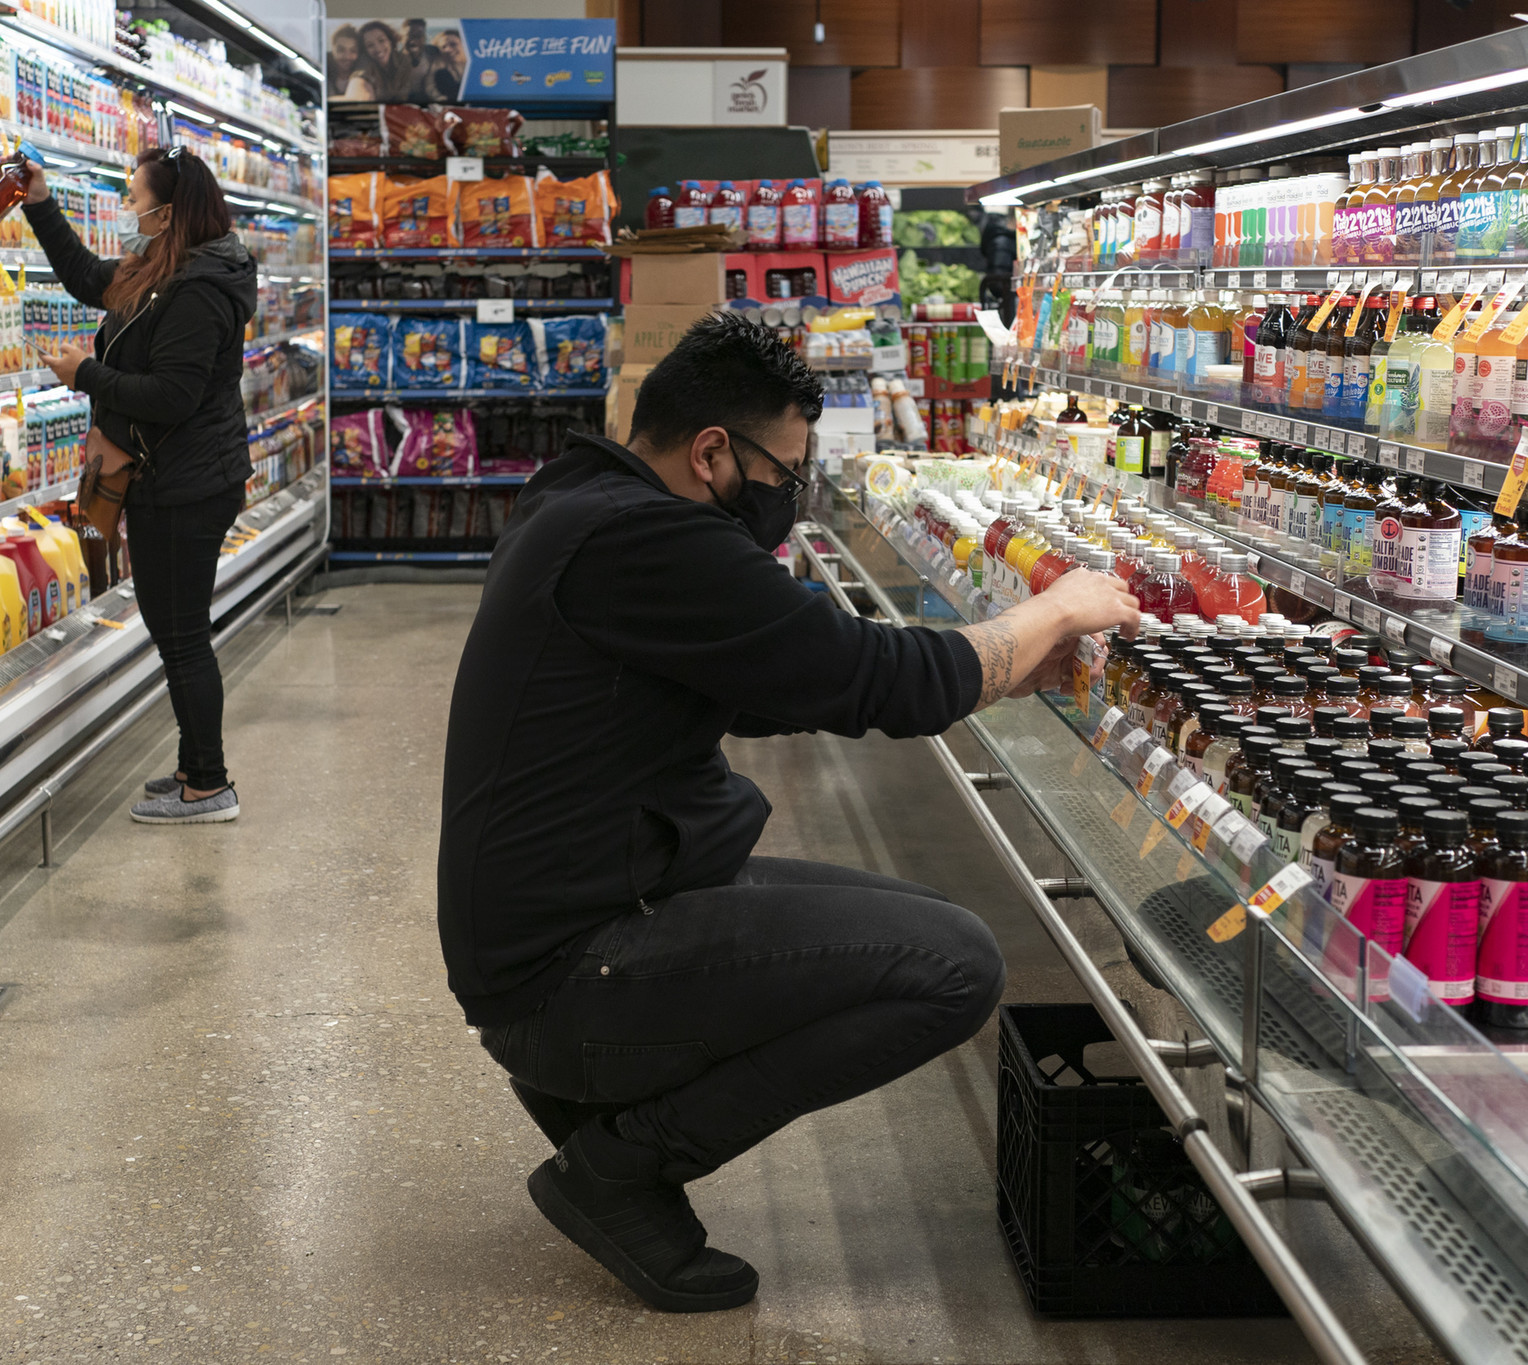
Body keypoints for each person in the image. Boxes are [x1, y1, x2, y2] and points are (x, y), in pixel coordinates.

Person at [438, 312, 1139, 1313]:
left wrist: (1005, 673)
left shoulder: (586, 504)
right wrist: (1053, 609)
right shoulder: (650, 539)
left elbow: (781, 684)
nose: (786, 498)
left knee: (886, 929)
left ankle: (596, 1100)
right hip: (565, 967)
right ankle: (619, 1164)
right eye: (781, 473)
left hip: (557, 923)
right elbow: (874, 676)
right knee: (953, 966)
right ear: (710, 449)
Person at [26, 147, 256, 827]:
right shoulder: (163, 268)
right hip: (173, 477)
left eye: (138, 202)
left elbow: (173, 394)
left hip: (187, 485)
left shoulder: (197, 288)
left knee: (182, 633)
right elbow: (85, 276)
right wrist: (40, 202)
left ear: (169, 212)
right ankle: (194, 769)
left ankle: (209, 784)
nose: (132, 211)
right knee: (176, 627)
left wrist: (86, 375)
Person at [354, 21, 418, 102]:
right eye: (370, 45)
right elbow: (360, 77)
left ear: (390, 41)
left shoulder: (403, 60)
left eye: (381, 40)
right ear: (365, 50)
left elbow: (403, 95)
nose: (378, 48)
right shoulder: (365, 62)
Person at [327, 24, 365, 99]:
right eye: (341, 50)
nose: (347, 57)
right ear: (332, 49)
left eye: (353, 51)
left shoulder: (365, 76)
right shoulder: (324, 71)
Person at [430, 28, 467, 101]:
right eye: (443, 47)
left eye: (453, 44)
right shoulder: (439, 70)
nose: (448, 49)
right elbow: (430, 88)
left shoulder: (478, 66)